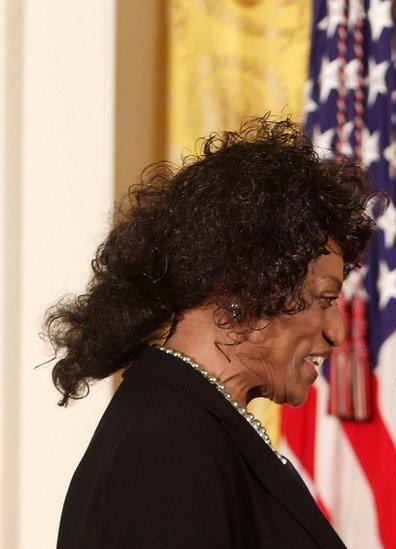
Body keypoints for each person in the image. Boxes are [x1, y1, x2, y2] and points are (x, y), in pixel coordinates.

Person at [48, 117, 375, 548]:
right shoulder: (163, 449)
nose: (336, 333)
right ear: (250, 283)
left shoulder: (191, 425)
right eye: (325, 299)